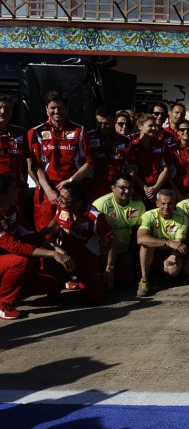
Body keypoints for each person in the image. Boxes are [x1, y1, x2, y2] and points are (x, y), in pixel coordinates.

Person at [0, 174, 74, 319]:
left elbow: (28, 234)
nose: (18, 191)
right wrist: (53, 254)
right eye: (14, 189)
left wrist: (53, 247)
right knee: (21, 261)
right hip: (6, 261)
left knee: (52, 284)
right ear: (2, 195)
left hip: (6, 263)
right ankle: (2, 304)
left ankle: (9, 293)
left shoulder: (12, 209)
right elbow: (14, 246)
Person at [41, 181, 115, 303]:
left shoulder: (95, 216)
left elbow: (112, 242)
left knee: (96, 297)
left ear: (77, 202)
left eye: (64, 198)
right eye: (60, 196)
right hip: (64, 254)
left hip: (87, 258)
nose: (59, 200)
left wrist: (109, 269)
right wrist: (38, 235)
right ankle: (55, 288)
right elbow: (54, 225)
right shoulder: (62, 206)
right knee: (47, 257)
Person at [28, 91, 88, 230]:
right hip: (47, 190)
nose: (57, 111)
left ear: (66, 109)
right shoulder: (36, 132)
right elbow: (35, 166)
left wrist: (72, 180)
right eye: (53, 108)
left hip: (73, 190)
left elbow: (89, 162)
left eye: (60, 108)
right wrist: (48, 190)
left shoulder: (80, 130)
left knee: (72, 230)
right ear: (46, 109)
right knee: (46, 231)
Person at [94, 173, 146, 287]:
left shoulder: (138, 205)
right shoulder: (101, 205)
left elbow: (139, 232)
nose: (127, 191)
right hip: (103, 253)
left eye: (130, 188)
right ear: (113, 188)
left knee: (125, 281)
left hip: (123, 252)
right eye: (123, 187)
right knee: (105, 285)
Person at [136, 189, 189, 297]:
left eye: (170, 204)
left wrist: (173, 256)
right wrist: (167, 242)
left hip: (170, 251)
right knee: (145, 245)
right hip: (155, 248)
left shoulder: (182, 218)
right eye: (163, 203)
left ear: (174, 204)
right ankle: (144, 279)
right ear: (157, 203)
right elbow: (140, 238)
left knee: (172, 270)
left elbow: (178, 244)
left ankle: (166, 276)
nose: (166, 207)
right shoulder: (148, 215)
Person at [84, 106, 130, 202]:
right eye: (99, 123)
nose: (102, 127)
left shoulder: (125, 141)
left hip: (117, 189)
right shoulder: (88, 137)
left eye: (106, 124)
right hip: (93, 188)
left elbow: (130, 168)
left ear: (114, 120)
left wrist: (129, 188)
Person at [127, 113, 172, 203]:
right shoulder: (131, 144)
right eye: (150, 126)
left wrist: (155, 188)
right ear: (140, 126)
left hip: (157, 189)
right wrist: (146, 189)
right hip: (138, 189)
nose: (154, 128)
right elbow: (131, 168)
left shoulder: (161, 145)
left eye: (155, 126)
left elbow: (165, 169)